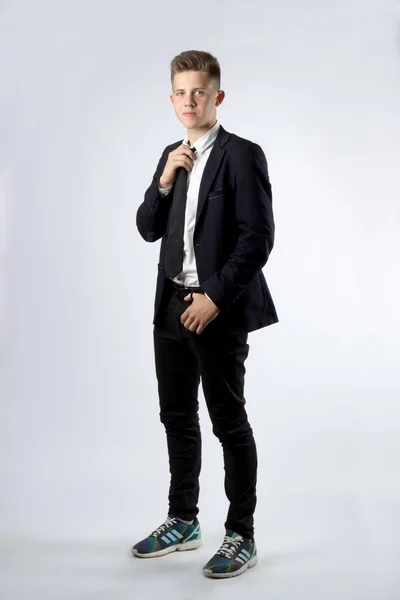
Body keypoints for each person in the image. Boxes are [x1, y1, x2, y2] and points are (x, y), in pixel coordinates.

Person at [132, 49, 278, 579]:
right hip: (169, 304)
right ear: (172, 99)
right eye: (180, 92)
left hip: (216, 308)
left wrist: (214, 297)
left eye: (199, 91)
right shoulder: (172, 154)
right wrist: (165, 180)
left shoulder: (242, 155)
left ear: (217, 96)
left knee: (228, 422)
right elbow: (149, 227)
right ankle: (183, 519)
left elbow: (257, 238)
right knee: (176, 417)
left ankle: (241, 533)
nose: (189, 101)